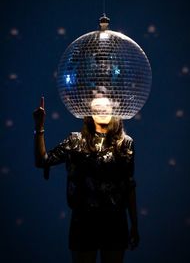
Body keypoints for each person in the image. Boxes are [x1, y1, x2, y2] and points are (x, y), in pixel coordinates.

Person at [33, 95, 140, 263]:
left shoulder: (125, 144)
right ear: (89, 113)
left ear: (114, 111)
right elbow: (43, 161)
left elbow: (129, 185)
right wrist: (39, 127)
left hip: (115, 221)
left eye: (106, 108)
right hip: (83, 221)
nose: (102, 111)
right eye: (97, 108)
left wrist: (134, 225)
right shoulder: (76, 140)